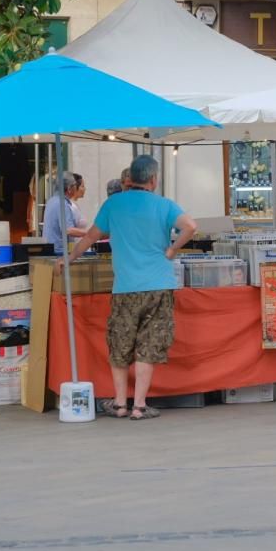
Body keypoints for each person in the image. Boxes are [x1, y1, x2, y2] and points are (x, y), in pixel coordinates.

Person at [59, 155, 197, 420]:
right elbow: (191, 227)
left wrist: (69, 259)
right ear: (154, 179)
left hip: (125, 287)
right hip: (159, 285)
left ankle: (121, 403)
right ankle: (140, 406)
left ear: (130, 178)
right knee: (149, 343)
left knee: (120, 343)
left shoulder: (114, 204)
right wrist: (171, 249)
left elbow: (90, 236)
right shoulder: (164, 205)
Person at [42, 172, 87, 254]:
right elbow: (69, 230)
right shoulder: (62, 204)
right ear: (69, 189)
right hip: (58, 252)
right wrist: (92, 233)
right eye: (74, 186)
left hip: (51, 250)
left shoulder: (52, 201)